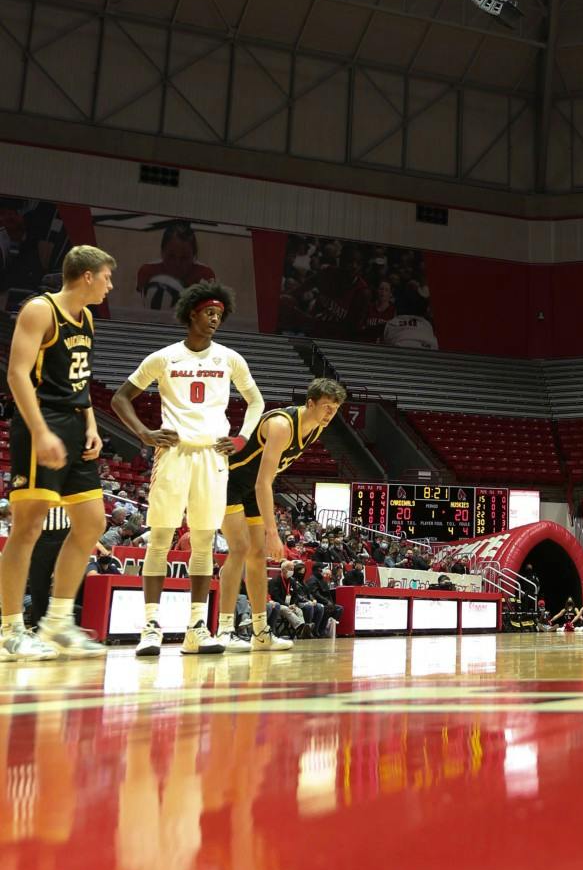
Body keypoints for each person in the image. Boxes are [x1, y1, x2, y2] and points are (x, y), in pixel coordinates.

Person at [110, 282, 265, 659]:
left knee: (202, 541)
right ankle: (150, 626)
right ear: (191, 313)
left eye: (219, 315)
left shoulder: (229, 359)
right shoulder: (164, 358)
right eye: (209, 313)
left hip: (212, 457)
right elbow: (119, 398)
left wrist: (243, 438)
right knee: (161, 537)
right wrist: (144, 433)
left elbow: (256, 401)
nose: (215, 320)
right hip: (174, 454)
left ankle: (197, 627)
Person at [1, 245, 118, 659]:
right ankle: (10, 629)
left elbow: (81, 381)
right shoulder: (40, 310)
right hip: (40, 422)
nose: (109, 285)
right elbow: (16, 374)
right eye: (106, 276)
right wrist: (40, 432)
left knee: (92, 522)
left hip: (73, 425)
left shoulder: (85, 318)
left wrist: (91, 427)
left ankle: (57, 623)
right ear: (86, 276)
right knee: (28, 527)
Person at [214, 379, 348, 653]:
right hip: (227, 480)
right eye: (325, 407)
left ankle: (260, 631)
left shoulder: (316, 427)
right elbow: (265, 482)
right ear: (309, 403)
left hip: (250, 487)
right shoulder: (282, 425)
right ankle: (224, 630)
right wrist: (274, 532)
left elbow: (264, 480)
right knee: (239, 549)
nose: (329, 413)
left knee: (257, 555)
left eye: (334, 408)